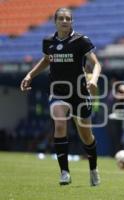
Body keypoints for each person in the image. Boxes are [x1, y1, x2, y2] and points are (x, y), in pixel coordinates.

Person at [20, 8, 101, 186]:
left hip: (80, 93)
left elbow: (96, 64)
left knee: (86, 136)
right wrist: (29, 75)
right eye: (61, 18)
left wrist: (93, 79)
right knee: (60, 122)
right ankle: (64, 172)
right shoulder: (48, 41)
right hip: (58, 92)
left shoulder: (81, 40)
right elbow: (47, 60)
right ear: (55, 21)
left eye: (68, 18)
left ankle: (93, 169)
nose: (65, 21)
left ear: (72, 21)